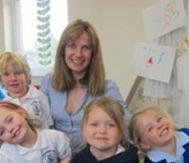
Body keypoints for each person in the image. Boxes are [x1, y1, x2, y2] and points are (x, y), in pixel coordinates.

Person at [40, 19, 130, 154]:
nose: (78, 54)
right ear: (63, 50)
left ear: (93, 53)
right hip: (55, 157)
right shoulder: (48, 81)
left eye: (85, 48)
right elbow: (40, 120)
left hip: (92, 161)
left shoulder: (107, 88)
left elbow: (127, 124)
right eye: (72, 46)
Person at [0, 51, 53, 129]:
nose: (13, 78)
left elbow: (50, 124)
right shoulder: (3, 105)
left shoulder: (40, 97)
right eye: (6, 74)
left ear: (26, 75)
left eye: (18, 73)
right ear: (0, 78)